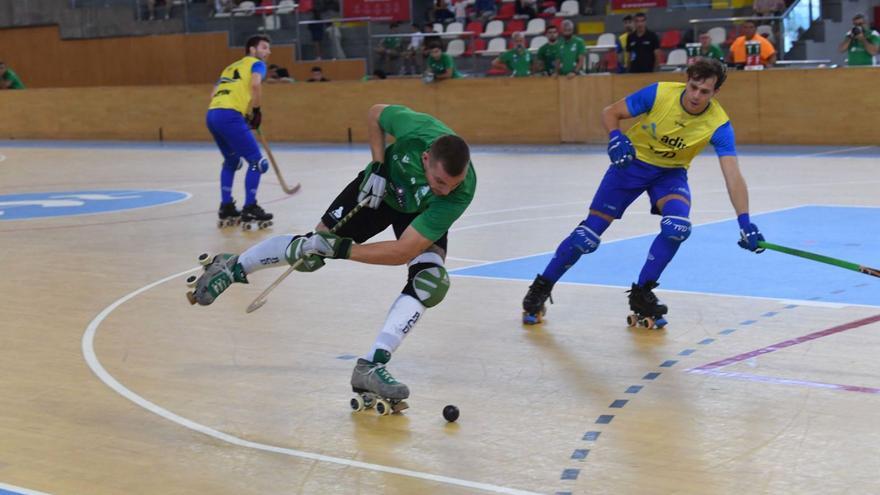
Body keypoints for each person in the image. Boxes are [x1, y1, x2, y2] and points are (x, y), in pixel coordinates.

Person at [188, 104, 477, 409]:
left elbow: (402, 251)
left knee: (430, 280)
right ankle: (233, 266)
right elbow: (376, 113)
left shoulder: (458, 192)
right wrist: (378, 166)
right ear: (426, 158)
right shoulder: (419, 130)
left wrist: (343, 250)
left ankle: (371, 366)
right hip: (377, 191)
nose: (445, 191)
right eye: (440, 182)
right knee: (310, 253)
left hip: (418, 210)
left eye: (452, 185)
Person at [521, 58, 765, 327]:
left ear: (716, 92)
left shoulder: (719, 124)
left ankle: (642, 293)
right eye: (693, 87)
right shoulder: (659, 93)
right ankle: (541, 287)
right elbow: (610, 112)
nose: (696, 96)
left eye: (704, 91)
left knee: (678, 227)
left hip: (669, 175)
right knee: (585, 237)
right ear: (687, 81)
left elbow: (733, 174)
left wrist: (745, 221)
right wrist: (616, 136)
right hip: (631, 166)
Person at [205, 35, 274, 230]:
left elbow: (213, 94)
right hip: (229, 115)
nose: (268, 52)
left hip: (212, 114)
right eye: (264, 47)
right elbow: (255, 85)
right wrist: (256, 110)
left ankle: (226, 207)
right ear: (252, 50)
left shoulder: (229, 67)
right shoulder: (257, 64)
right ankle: (249, 207)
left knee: (232, 161)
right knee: (258, 163)